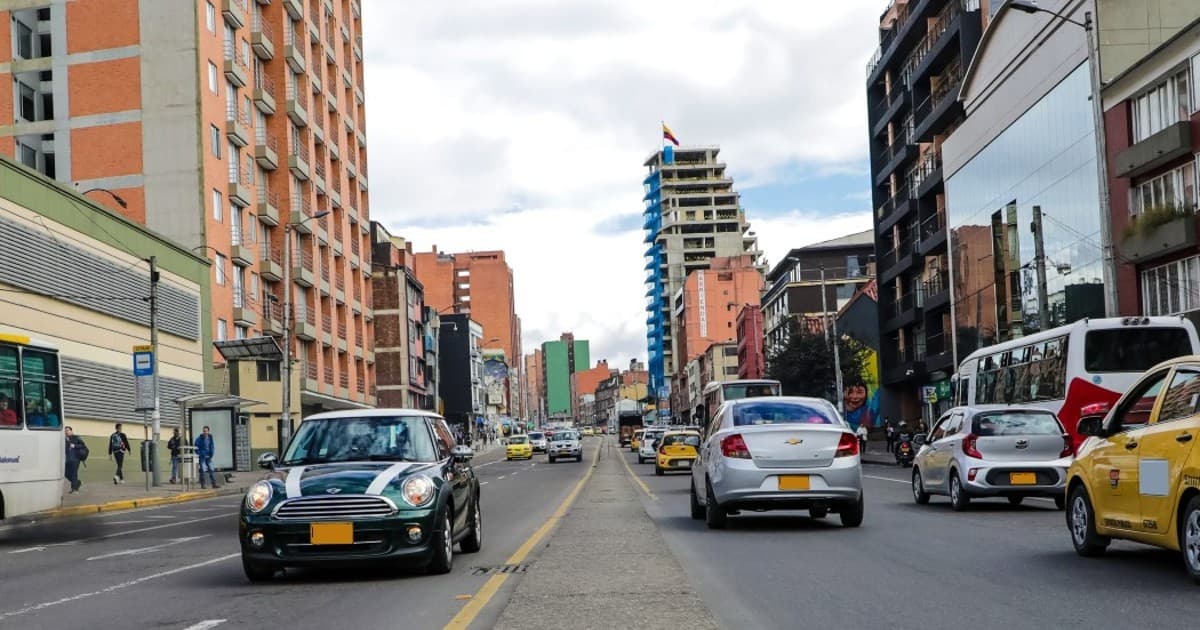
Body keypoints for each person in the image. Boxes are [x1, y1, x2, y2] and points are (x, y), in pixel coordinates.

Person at [65, 426, 86, 493]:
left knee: (74, 473)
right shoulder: (65, 439)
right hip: (68, 459)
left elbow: (83, 445)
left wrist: (74, 446)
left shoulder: (76, 437)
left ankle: (74, 489)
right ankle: (78, 482)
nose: (66, 432)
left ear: (71, 431)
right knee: (66, 473)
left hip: (75, 459)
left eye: (68, 430)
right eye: (65, 431)